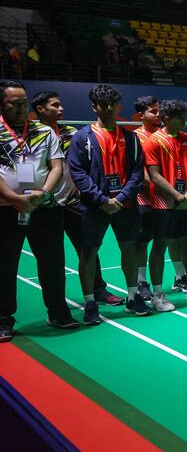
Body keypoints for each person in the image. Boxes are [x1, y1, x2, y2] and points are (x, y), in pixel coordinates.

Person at [68, 84, 151, 323]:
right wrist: (102, 200)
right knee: (89, 251)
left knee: (129, 249)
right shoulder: (83, 137)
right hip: (95, 206)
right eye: (103, 104)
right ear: (94, 106)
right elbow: (78, 172)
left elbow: (137, 172)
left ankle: (133, 297)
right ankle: (90, 303)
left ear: (118, 106)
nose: (109, 108)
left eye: (113, 104)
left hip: (125, 205)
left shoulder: (130, 138)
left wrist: (121, 198)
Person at [0, 81, 75, 342]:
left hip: (45, 208)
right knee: (5, 266)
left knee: (53, 263)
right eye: (14, 103)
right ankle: (4, 319)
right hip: (6, 210)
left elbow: (56, 166)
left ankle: (58, 312)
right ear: (2, 104)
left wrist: (42, 193)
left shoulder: (43, 131)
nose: (21, 107)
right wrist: (13, 198)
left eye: (24, 102)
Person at [31, 91, 122, 306]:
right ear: (41, 110)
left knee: (88, 247)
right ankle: (56, 304)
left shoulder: (72, 134)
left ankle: (98, 290)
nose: (61, 109)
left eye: (61, 104)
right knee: (50, 257)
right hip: (46, 205)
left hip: (73, 201)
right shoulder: (32, 135)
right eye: (55, 105)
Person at [144, 100, 187, 310]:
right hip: (164, 204)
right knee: (160, 246)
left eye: (184, 116)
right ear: (166, 120)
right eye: (179, 117)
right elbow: (154, 175)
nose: (184, 120)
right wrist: (176, 195)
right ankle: (157, 295)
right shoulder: (153, 142)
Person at [132, 95, 161, 301]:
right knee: (142, 242)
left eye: (159, 110)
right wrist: (150, 182)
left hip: (165, 198)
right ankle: (142, 282)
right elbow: (135, 168)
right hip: (143, 198)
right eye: (153, 111)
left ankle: (179, 277)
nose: (158, 114)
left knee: (164, 240)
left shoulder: (164, 135)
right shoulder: (135, 137)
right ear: (141, 115)